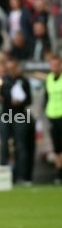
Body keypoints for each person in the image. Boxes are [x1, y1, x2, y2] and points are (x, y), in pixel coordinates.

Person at [45, 55, 62, 183]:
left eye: (57, 64)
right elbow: (47, 96)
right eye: (52, 65)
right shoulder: (49, 79)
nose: (54, 67)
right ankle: (59, 174)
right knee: (56, 147)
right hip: (52, 115)